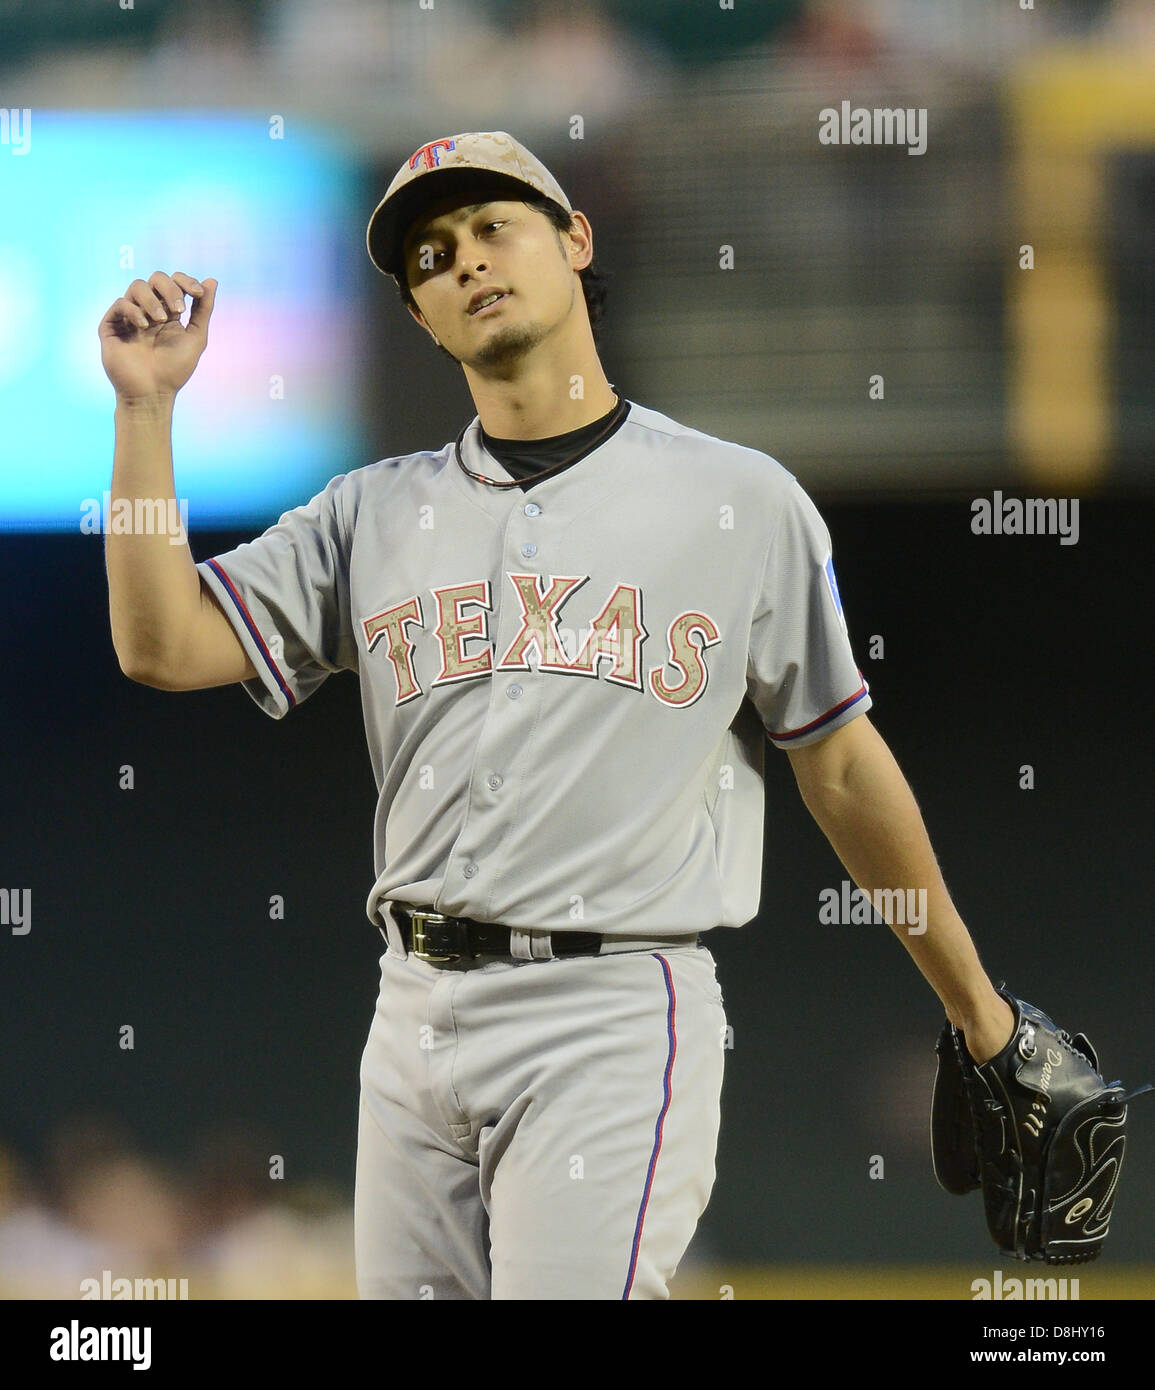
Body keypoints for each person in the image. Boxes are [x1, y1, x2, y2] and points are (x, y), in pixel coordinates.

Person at [99, 130, 1014, 1300]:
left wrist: (977, 1009)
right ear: (423, 317)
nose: (467, 262)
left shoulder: (740, 500)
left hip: (612, 1009)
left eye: (495, 228)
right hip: (413, 1009)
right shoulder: (368, 514)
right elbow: (160, 642)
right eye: (432, 257)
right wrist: (144, 415)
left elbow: (839, 765)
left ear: (576, 241)